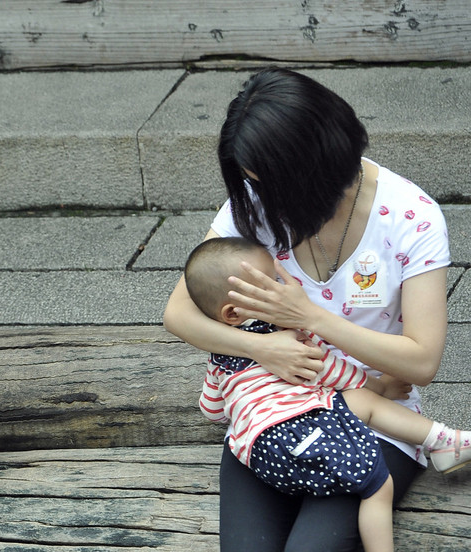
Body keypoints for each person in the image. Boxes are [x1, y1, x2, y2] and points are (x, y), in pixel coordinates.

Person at [163, 66, 452, 551]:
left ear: (311, 170)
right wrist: (263, 349)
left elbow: (421, 361)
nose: (257, 197)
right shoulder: (255, 202)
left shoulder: (410, 218)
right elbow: (179, 313)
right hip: (269, 418)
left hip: (373, 416)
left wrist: (312, 318)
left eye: (268, 183)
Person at [184, 237, 470, 552]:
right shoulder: (285, 334)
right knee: (375, 482)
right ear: (234, 311)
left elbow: (211, 409)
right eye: (271, 284)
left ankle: (443, 442)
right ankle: (444, 441)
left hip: (258, 452)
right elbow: (334, 371)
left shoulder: (220, 356)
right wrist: (382, 386)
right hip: (307, 432)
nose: (281, 286)